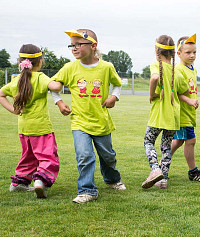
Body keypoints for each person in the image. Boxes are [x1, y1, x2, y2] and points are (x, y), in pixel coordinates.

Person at [51, 29, 126, 204]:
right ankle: (87, 190)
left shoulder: (106, 67)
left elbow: (117, 84)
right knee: (84, 155)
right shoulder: (69, 67)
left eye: (78, 44)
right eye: (72, 45)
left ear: (93, 46)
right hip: (79, 122)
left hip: (101, 122)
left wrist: (114, 97)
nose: (74, 48)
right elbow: (54, 87)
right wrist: (60, 102)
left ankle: (112, 180)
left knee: (108, 156)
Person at [0, 44, 61, 198]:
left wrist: (14, 110)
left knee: (28, 156)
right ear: (40, 62)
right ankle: (40, 181)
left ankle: (19, 182)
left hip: (24, 128)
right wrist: (64, 76)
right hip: (41, 128)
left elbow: (1, 94)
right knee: (48, 156)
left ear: (20, 61)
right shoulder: (40, 77)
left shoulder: (17, 80)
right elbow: (55, 87)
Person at [142, 35, 189, 189]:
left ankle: (155, 169)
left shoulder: (157, 65)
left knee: (149, 141)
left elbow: (154, 78)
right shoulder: (177, 72)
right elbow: (185, 90)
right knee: (166, 146)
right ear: (173, 53)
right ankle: (163, 180)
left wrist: (152, 94)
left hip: (159, 113)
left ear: (157, 51)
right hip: (173, 115)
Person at [170, 34, 200, 182]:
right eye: (188, 52)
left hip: (189, 112)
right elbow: (175, 92)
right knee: (190, 140)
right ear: (179, 53)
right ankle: (193, 172)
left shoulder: (192, 69)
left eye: (194, 52)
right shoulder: (178, 69)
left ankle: (161, 165)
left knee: (179, 141)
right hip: (181, 113)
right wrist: (189, 100)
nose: (192, 55)